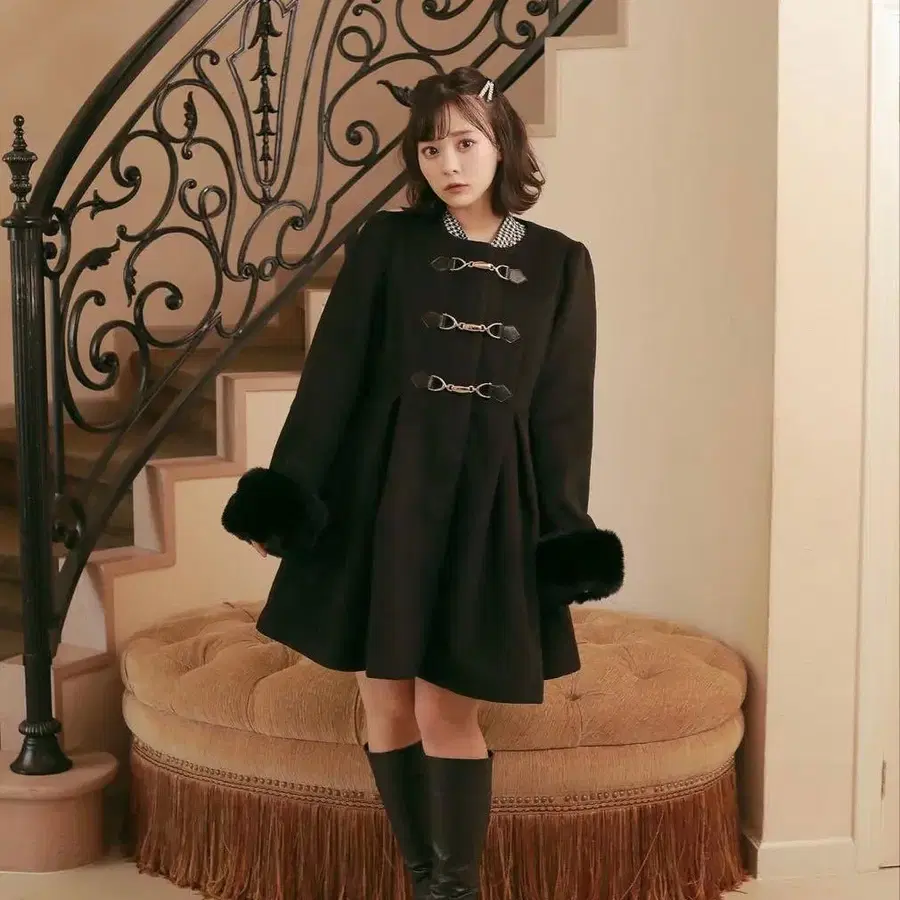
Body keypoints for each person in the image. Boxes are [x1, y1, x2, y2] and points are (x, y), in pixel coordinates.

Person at [222, 66, 624, 900]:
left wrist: (564, 531)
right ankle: (427, 882)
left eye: (466, 142)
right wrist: (289, 493)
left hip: (488, 505)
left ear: (502, 144)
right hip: (385, 495)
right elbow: (332, 376)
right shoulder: (388, 243)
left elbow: (563, 414)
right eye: (431, 148)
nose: (449, 163)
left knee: (448, 709)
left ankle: (456, 887)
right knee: (387, 702)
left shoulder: (560, 263)